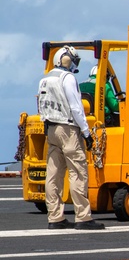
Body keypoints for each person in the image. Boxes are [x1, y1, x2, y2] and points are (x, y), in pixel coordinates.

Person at [37, 46, 104, 230]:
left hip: (51, 128)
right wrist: (86, 132)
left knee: (53, 175)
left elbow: (41, 104)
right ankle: (83, 217)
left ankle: (55, 217)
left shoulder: (45, 79)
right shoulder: (67, 78)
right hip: (68, 129)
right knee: (78, 172)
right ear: (66, 59)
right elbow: (76, 108)